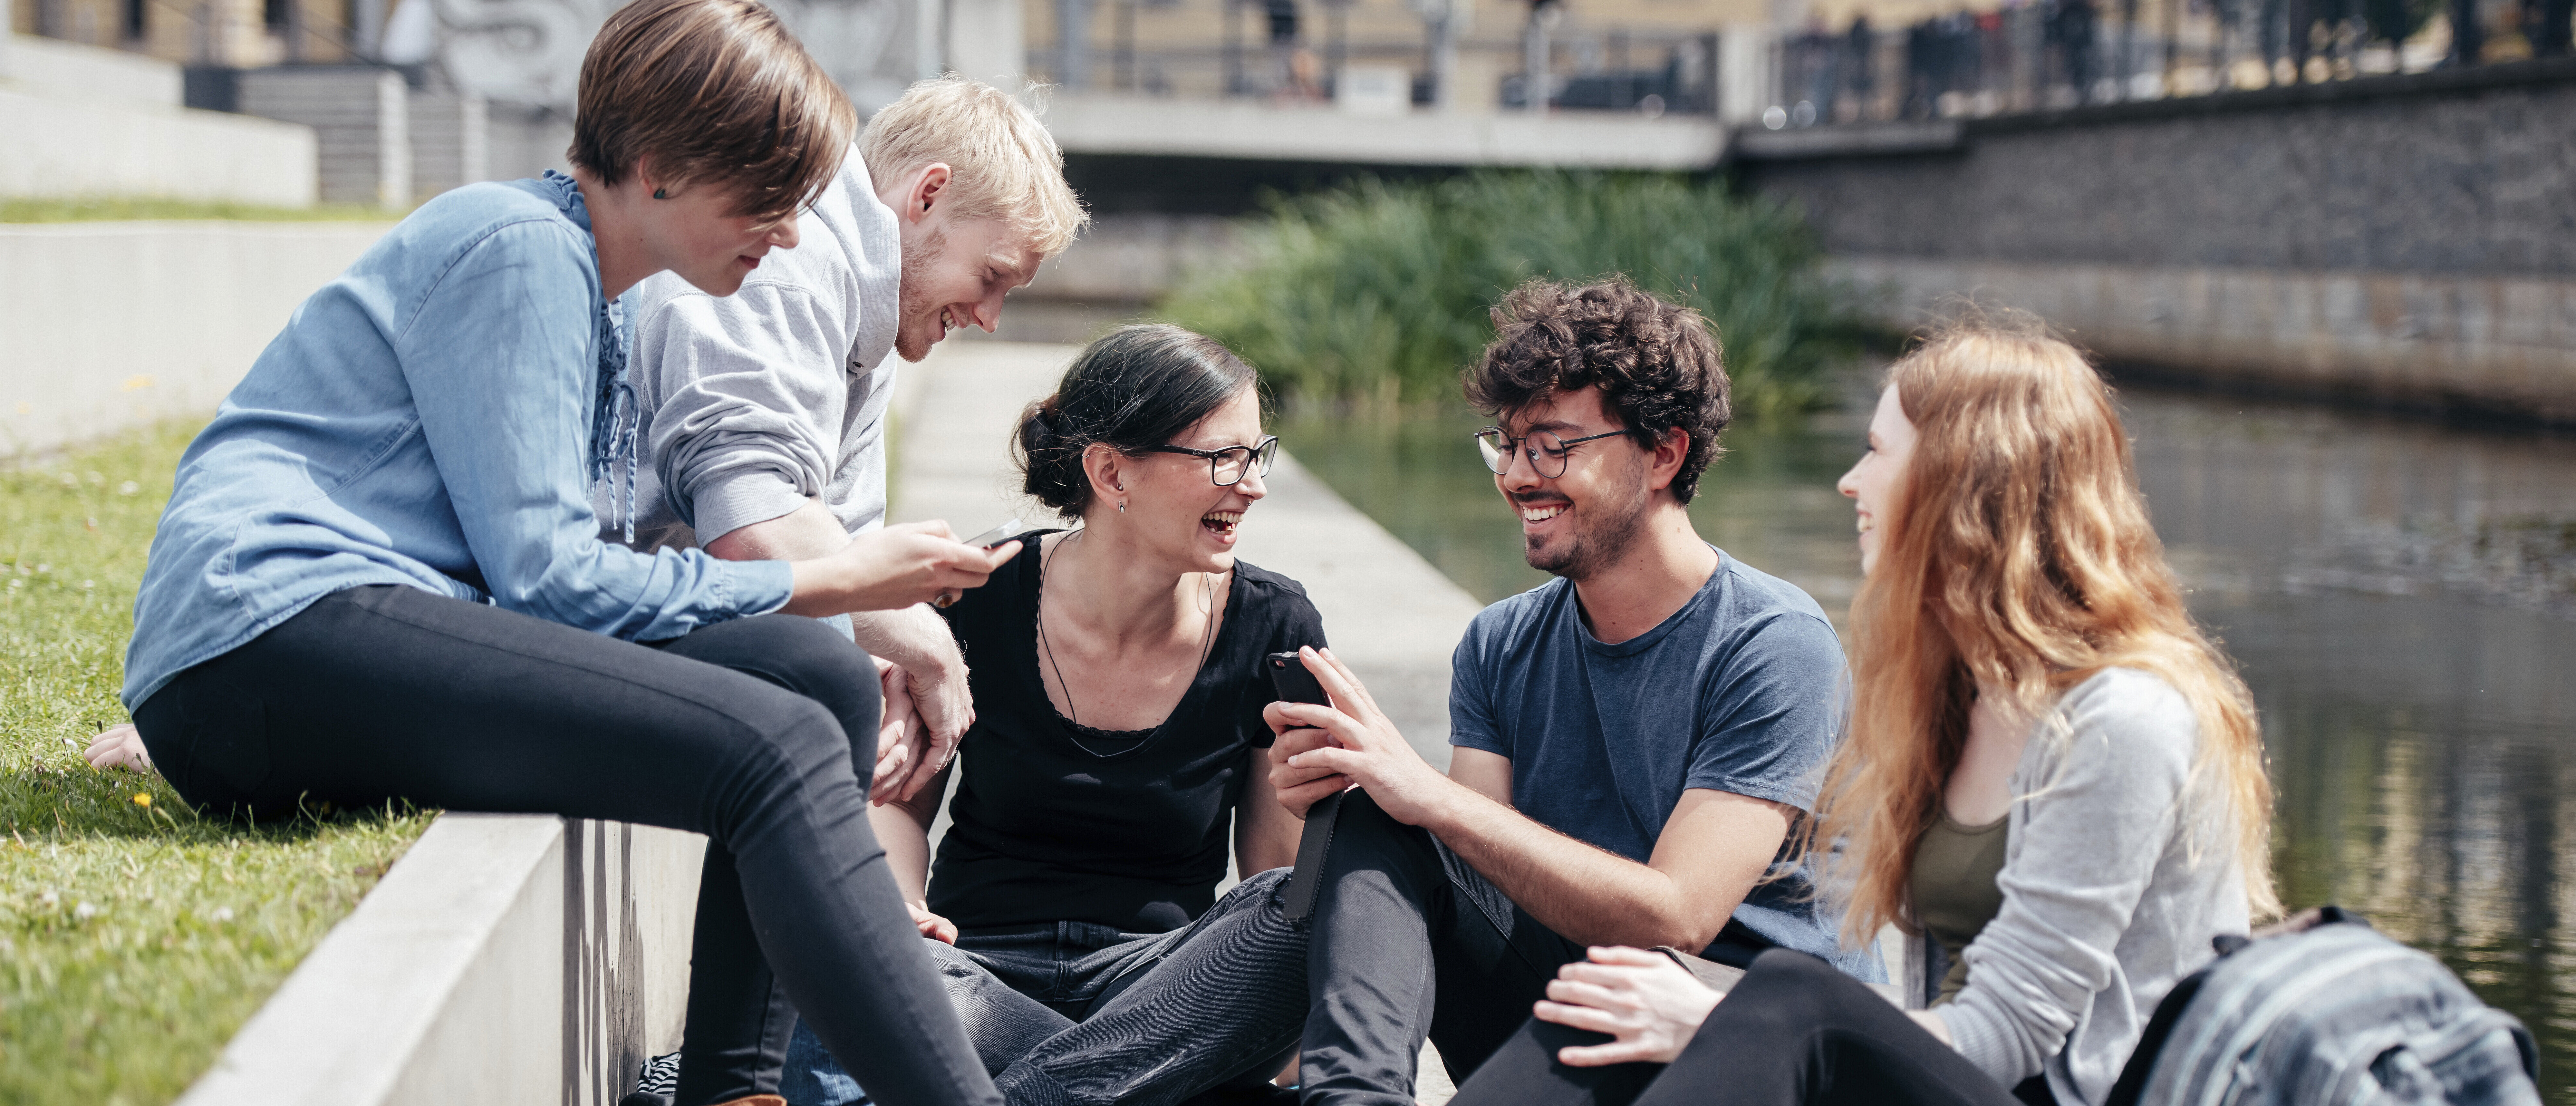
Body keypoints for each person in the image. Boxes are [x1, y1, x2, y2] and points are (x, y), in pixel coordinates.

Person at [112, 2, 1013, 1103]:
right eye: (766, 197)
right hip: (276, 636)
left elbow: (583, 579)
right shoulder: (519, 249)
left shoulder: (600, 295)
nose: (786, 234)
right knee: (767, 744)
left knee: (817, 674)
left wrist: (828, 823)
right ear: (657, 169)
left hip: (327, 642)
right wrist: (832, 577)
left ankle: (738, 1088)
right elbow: (553, 581)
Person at [1441, 319, 2278, 1106]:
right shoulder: (1960, 700)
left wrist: (1716, 1016)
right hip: (1948, 1075)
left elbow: (2012, 1030)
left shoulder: (2123, 718)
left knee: (1785, 994)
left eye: (1878, 452)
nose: (1849, 480)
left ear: (1965, 480)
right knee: (1626, 991)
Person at [1260, 277, 1875, 1106]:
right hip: (1577, 1003)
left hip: (1727, 1034)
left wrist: (1427, 797)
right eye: (1506, 447)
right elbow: (1477, 869)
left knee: (1421, 806)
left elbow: (1680, 915)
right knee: (1382, 811)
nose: (1518, 476)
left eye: (1553, 447)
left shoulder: (1773, 644)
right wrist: (1364, 790)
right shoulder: (1501, 640)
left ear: (1665, 453)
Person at [833, 324, 1328, 1106]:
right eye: (1222, 458)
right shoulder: (976, 593)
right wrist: (902, 913)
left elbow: (1274, 878)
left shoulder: (1277, 628)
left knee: (1314, 904)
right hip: (977, 970)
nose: (1253, 484)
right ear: (1111, 472)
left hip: (1160, 989)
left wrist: (1274, 1016)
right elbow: (897, 799)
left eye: (1257, 455)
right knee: (881, 960)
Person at [614, 76, 1088, 807]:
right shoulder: (786, 270)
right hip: (605, 611)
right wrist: (923, 648)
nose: (990, 316)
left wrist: (885, 661)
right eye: (991, 277)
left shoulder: (874, 313)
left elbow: (846, 552)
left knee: (849, 691)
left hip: (670, 611)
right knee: (825, 684)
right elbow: (756, 533)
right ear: (927, 195)